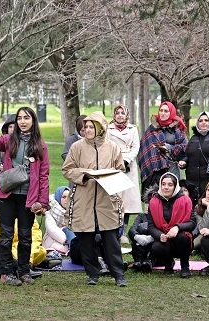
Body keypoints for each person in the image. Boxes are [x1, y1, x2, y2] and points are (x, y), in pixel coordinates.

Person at [0, 106, 50, 286]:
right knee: (5, 234)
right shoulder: (8, 140)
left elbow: (44, 175)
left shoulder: (40, 146)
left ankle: (24, 271)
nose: (22, 121)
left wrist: (42, 201)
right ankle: (6, 272)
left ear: (33, 121)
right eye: (19, 118)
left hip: (28, 197)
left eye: (26, 118)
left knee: (25, 235)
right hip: (7, 195)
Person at [62, 111, 127, 287]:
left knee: (111, 239)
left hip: (107, 200)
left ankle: (119, 275)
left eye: (91, 127)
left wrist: (110, 176)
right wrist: (85, 175)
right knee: (86, 239)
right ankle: (92, 274)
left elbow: (120, 169)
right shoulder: (77, 147)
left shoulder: (112, 147)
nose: (88, 129)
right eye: (86, 127)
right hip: (84, 199)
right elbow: (67, 169)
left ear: (101, 128)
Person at [146, 172, 195, 278]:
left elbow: (192, 223)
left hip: (180, 239)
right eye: (163, 184)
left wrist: (178, 227)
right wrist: (159, 235)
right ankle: (168, 265)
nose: (166, 187)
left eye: (169, 185)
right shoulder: (153, 202)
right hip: (164, 239)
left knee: (183, 237)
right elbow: (151, 226)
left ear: (175, 186)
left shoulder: (186, 201)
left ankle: (185, 267)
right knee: (157, 246)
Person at [106, 105, 142, 243]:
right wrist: (116, 160)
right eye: (117, 113)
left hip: (129, 167)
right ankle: (113, 231)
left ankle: (123, 233)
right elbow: (107, 145)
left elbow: (136, 146)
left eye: (122, 113)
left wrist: (127, 160)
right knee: (114, 200)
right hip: (114, 165)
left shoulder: (133, 129)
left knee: (126, 203)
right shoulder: (109, 129)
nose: (120, 115)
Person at [138, 101, 187, 197]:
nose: (163, 113)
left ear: (171, 113)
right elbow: (144, 151)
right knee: (155, 200)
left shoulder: (177, 129)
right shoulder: (151, 128)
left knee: (173, 198)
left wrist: (169, 148)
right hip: (154, 171)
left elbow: (184, 147)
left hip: (172, 168)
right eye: (161, 110)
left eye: (166, 111)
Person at [43, 186, 71, 254]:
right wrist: (66, 239)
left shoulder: (75, 210)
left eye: (69, 197)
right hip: (53, 239)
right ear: (58, 198)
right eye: (64, 197)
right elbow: (52, 228)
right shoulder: (50, 210)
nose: (66, 199)